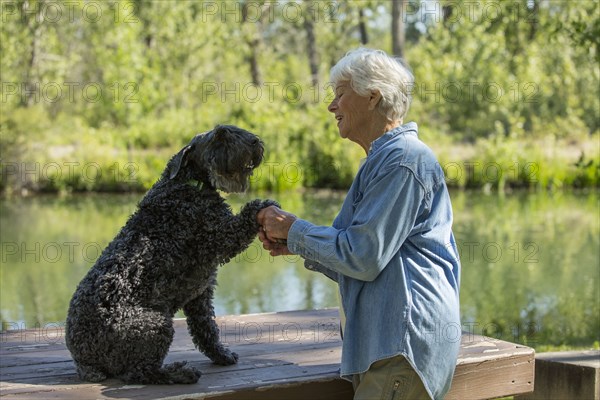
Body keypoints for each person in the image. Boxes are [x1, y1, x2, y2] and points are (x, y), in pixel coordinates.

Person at [256, 48, 461, 400]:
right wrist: (297, 243)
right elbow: (354, 254)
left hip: (401, 350)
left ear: (372, 96)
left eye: (340, 94)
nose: (332, 106)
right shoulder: (383, 159)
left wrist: (294, 229)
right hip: (388, 351)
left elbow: (362, 256)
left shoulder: (403, 161)